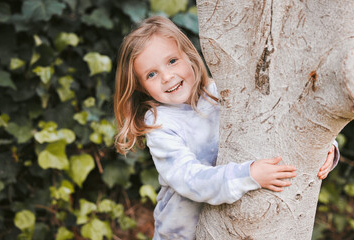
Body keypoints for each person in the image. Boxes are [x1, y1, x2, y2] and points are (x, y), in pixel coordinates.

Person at [114, 16, 339, 240]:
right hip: (183, 233)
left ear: (189, 56)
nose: (167, 76)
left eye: (172, 61)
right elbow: (189, 179)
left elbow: (273, 121)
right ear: (141, 87)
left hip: (237, 224)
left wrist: (322, 146)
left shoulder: (220, 92)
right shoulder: (159, 124)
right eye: (151, 74)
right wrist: (248, 174)